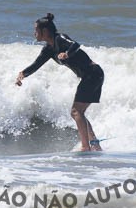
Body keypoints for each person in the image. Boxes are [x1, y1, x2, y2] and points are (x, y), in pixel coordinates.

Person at [15, 13, 104, 152]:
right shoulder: (49, 49)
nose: (34, 33)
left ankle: (86, 146)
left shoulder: (60, 38)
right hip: (90, 76)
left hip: (93, 73)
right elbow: (36, 64)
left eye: (36, 30)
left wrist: (67, 53)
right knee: (78, 112)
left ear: (45, 31)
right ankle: (94, 144)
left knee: (76, 111)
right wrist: (23, 74)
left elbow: (75, 45)